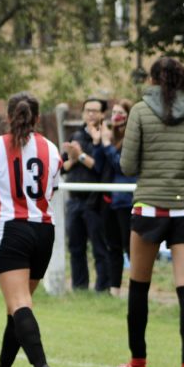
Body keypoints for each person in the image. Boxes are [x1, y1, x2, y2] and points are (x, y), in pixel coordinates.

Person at [117, 57, 184, 367]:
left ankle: (138, 363)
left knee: (139, 287)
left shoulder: (140, 112)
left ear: (154, 80)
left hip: (149, 207)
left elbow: (127, 166)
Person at [0, 92, 61, 367]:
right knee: (19, 303)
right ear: (37, 118)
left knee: (19, 302)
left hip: (10, 227)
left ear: (7, 117)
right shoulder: (51, 149)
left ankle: (41, 366)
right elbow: (51, 191)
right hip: (43, 230)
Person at [61, 98, 111, 292]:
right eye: (87, 110)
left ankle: (103, 288)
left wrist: (80, 155)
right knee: (75, 248)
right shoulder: (76, 136)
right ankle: (79, 288)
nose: (90, 114)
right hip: (74, 200)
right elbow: (63, 167)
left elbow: (99, 167)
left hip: (95, 201)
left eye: (95, 111)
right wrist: (74, 158)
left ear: (102, 115)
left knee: (99, 248)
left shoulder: (105, 137)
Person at [94, 100, 135, 296]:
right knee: (113, 247)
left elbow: (122, 166)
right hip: (109, 200)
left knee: (130, 247)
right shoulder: (109, 137)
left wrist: (107, 144)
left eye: (120, 113)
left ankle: (137, 288)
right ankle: (114, 289)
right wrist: (98, 142)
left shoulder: (132, 139)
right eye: (114, 112)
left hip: (126, 200)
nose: (115, 116)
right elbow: (99, 166)